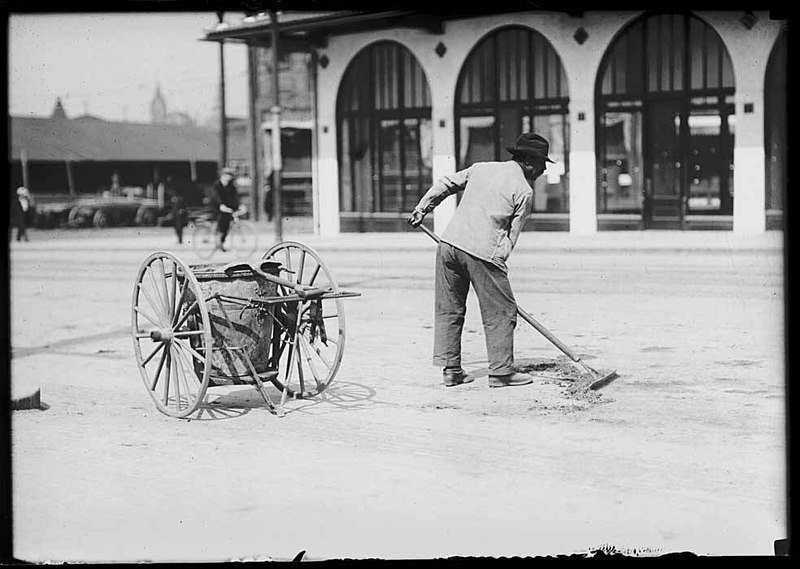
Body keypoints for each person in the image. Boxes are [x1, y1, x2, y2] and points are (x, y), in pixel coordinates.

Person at [406, 133, 553, 388]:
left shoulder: (482, 168)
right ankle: (501, 372)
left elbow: (446, 183)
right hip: (482, 252)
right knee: (501, 310)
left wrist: (422, 208)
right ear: (528, 161)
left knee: (449, 309)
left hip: (448, 245)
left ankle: (451, 371)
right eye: (541, 163)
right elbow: (510, 238)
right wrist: (498, 264)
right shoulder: (525, 191)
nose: (542, 169)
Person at [210, 167, 245, 251]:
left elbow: (235, 197)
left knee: (228, 223)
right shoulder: (217, 185)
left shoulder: (231, 186)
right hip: (217, 207)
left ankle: (221, 241)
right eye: (227, 175)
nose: (229, 177)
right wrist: (221, 205)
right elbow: (215, 196)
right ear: (222, 175)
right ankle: (218, 237)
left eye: (230, 175)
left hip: (228, 207)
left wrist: (239, 205)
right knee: (222, 220)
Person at [165, 176, 188, 244]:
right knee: (176, 228)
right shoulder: (174, 198)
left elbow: (183, 206)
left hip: (179, 215)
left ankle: (180, 240)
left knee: (179, 227)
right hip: (176, 215)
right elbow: (173, 207)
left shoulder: (180, 198)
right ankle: (179, 239)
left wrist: (181, 211)